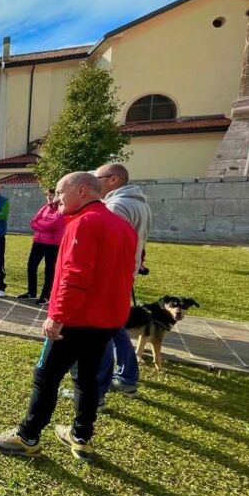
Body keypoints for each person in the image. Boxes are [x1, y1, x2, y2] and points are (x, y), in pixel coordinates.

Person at [0, 172, 136, 460]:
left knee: (46, 375)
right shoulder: (121, 225)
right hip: (106, 318)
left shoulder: (85, 223)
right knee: (87, 376)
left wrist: (57, 316)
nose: (55, 199)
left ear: (81, 191)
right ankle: (81, 436)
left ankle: (27, 436)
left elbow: (74, 276)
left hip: (78, 318)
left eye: (60, 193)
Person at [95, 163, 153, 398]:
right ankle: (128, 377)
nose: (94, 183)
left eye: (98, 178)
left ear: (113, 179)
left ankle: (98, 387)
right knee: (116, 327)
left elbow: (108, 245)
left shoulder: (116, 205)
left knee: (100, 331)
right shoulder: (139, 202)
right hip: (123, 274)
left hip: (111, 277)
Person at [17, 188, 65, 305]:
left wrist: (40, 225)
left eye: (52, 195)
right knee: (31, 266)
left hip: (53, 244)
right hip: (38, 241)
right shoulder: (45, 207)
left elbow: (53, 225)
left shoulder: (62, 209)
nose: (49, 197)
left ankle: (46, 295)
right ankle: (31, 292)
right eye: (48, 195)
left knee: (49, 270)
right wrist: (43, 225)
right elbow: (33, 222)